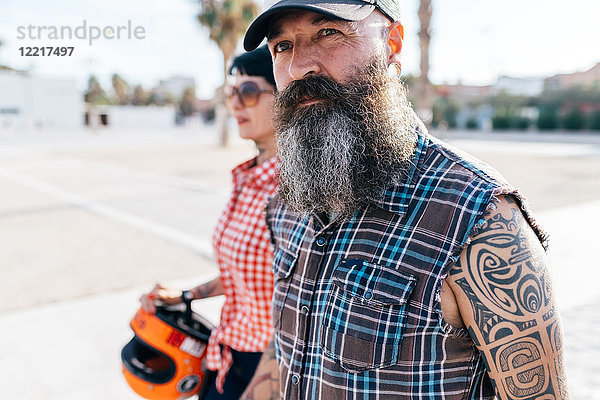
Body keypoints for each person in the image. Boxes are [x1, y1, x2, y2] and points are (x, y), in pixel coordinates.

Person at [241, 2, 569, 399]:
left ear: (392, 43)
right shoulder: (287, 199)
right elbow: (290, 346)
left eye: (329, 33)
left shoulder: (477, 215)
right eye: (282, 47)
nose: (298, 67)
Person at [139, 45, 278, 400]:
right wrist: (189, 294)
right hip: (229, 350)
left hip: (269, 368)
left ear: (285, 96)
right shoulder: (248, 178)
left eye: (248, 92)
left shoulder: (299, 187)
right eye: (231, 93)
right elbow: (248, 271)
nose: (235, 104)